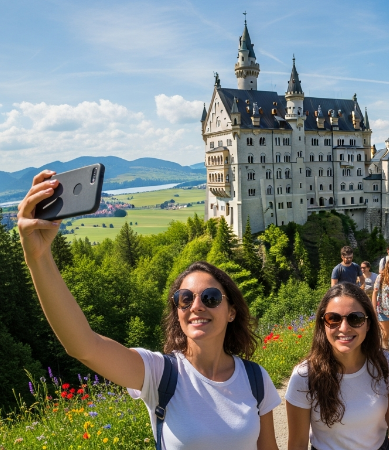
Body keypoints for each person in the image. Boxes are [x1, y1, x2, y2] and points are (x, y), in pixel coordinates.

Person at [17, 171, 280, 450]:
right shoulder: (159, 374)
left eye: (211, 298)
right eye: (185, 299)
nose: (196, 306)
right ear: (177, 312)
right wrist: (38, 258)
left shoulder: (255, 379)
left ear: (231, 312)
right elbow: (83, 346)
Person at [286, 283, 389, 450]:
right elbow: (297, 445)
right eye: (333, 319)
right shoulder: (305, 376)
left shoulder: (385, 364)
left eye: (355, 318)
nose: (344, 328)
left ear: (368, 324)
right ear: (323, 324)